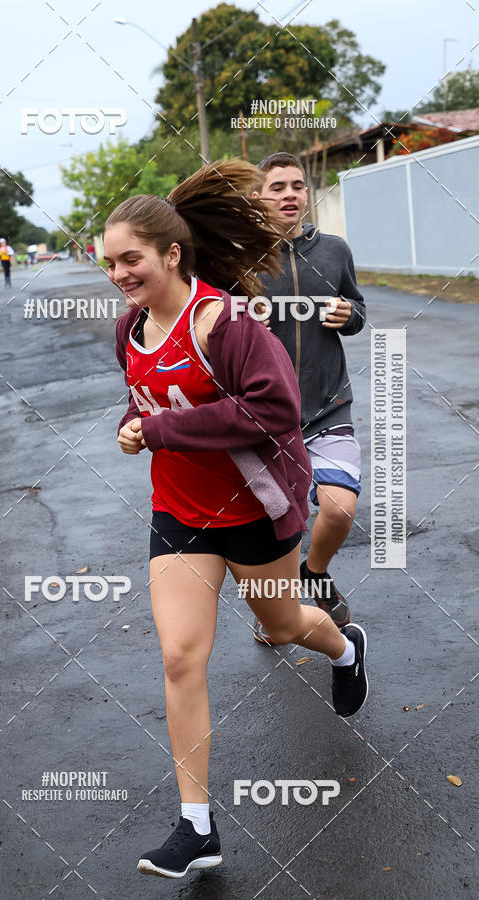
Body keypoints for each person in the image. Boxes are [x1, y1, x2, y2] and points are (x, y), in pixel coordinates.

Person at [106, 160, 369, 880]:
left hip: (255, 507)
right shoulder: (131, 329)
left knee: (283, 627)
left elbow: (274, 410)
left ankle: (345, 650)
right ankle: (197, 826)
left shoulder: (228, 322)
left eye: (131, 259)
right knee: (180, 657)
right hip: (178, 512)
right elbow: (150, 397)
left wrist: (161, 430)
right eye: (110, 263)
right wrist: (134, 424)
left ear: (171, 254)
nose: (119, 274)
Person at [250, 152, 366, 643]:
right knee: (278, 526)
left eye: (297, 185)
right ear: (258, 197)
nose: (290, 195)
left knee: (339, 509)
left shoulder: (334, 250)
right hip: (265, 421)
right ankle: (278, 614)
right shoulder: (242, 259)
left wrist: (349, 314)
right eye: (277, 187)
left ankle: (314, 573)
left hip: (327, 407)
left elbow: (357, 308)